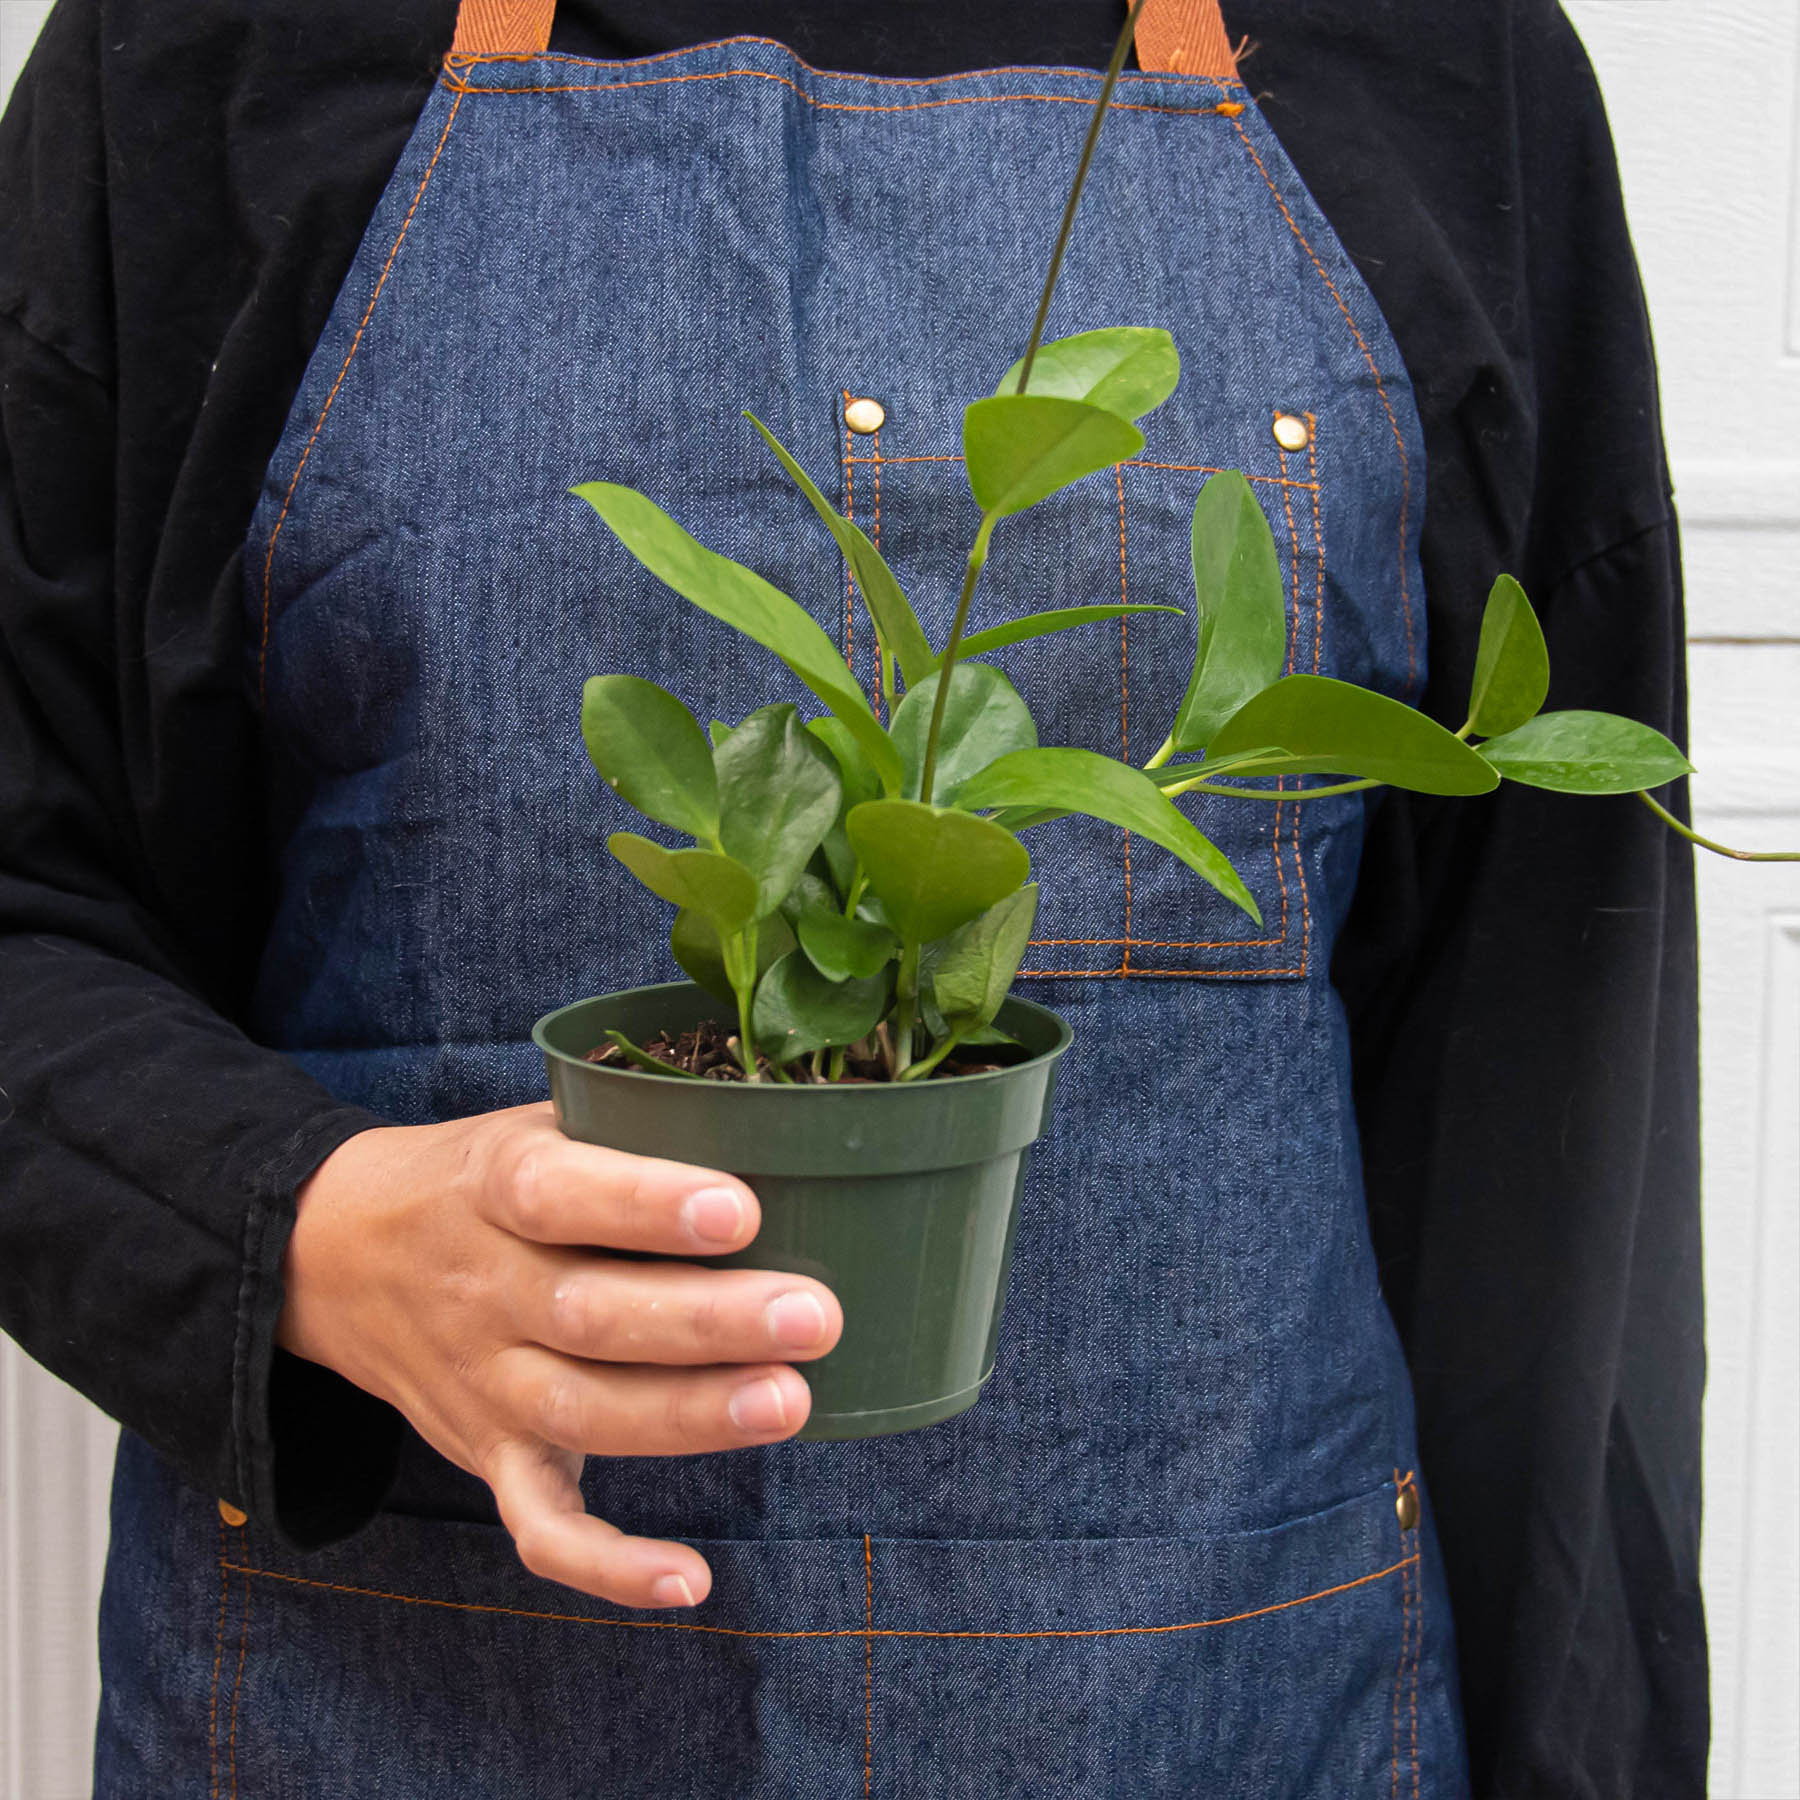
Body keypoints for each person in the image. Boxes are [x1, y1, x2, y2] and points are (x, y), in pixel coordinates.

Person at [0, 1, 1705, 1793]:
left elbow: (1543, 1131)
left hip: (1218, 1709)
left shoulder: (1438, 62)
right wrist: (298, 1225)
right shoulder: (211, 50)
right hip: (397, 1704)